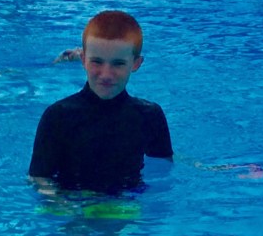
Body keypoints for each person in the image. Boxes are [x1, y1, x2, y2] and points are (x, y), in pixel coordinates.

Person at [29, 10, 173, 191]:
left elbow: (163, 173)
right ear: (83, 60)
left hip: (128, 202)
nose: (106, 74)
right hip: (73, 202)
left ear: (136, 64)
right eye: (97, 62)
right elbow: (39, 178)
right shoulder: (58, 116)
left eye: (118, 63)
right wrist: (65, 204)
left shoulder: (150, 116)